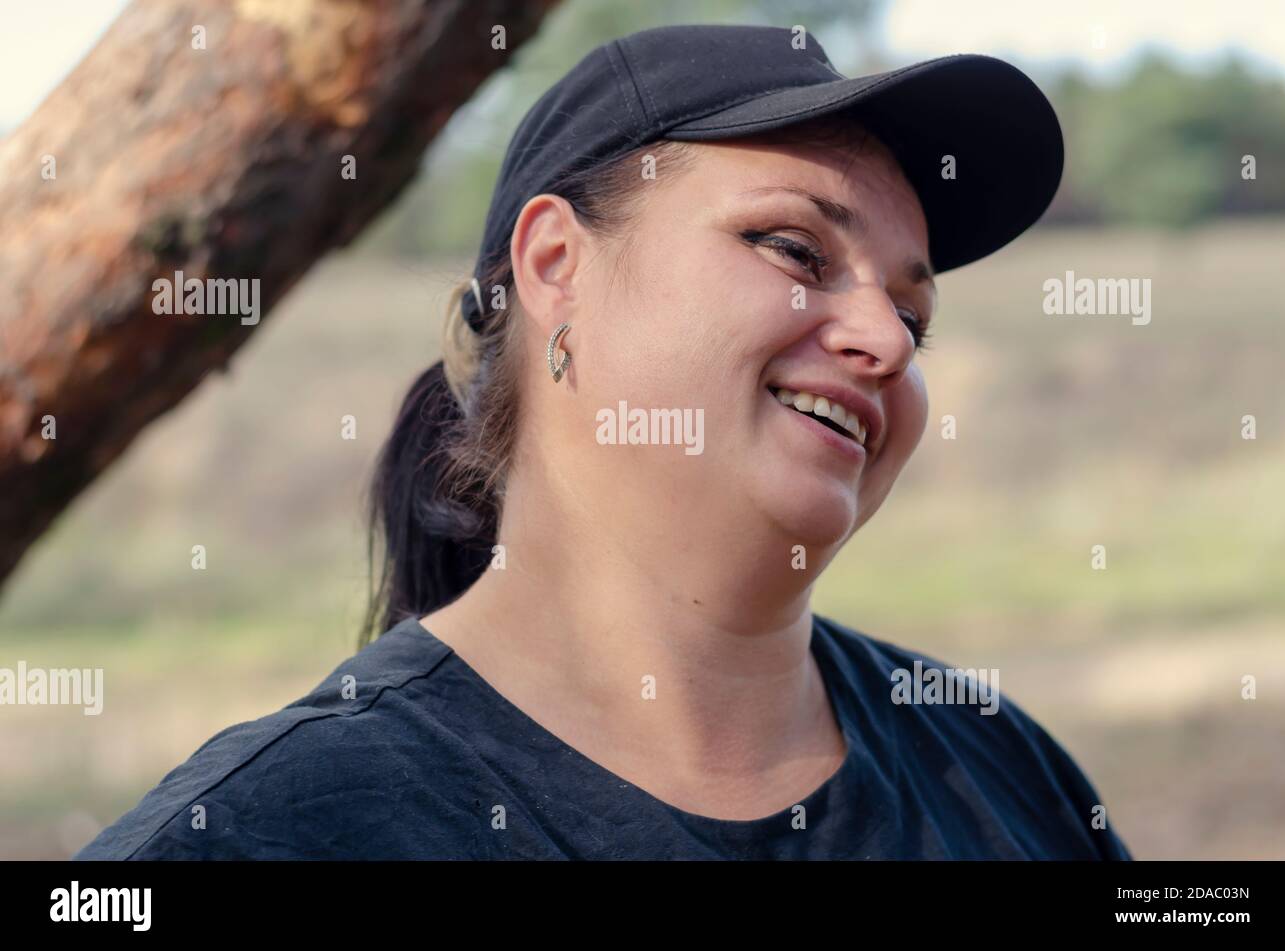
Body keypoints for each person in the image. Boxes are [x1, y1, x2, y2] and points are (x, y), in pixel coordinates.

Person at [76, 24, 1131, 860]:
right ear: (552, 267)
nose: (885, 343)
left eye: (915, 316)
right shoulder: (273, 834)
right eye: (793, 248)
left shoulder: (999, 772)